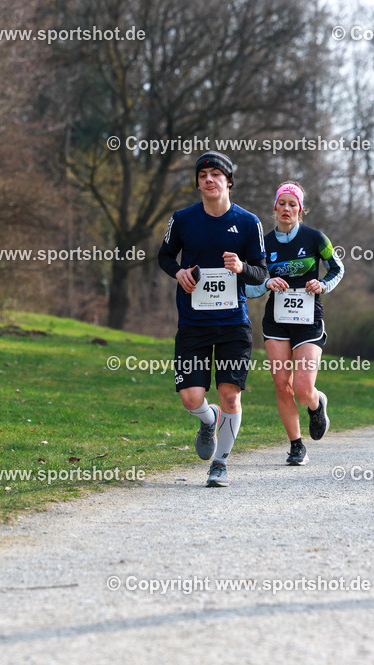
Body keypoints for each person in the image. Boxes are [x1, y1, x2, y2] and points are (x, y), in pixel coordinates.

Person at [158, 151, 268, 487]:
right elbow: (164, 256)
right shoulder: (182, 219)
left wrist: (241, 268)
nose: (208, 179)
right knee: (191, 397)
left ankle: (219, 464)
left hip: (233, 323)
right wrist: (178, 273)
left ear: (228, 181)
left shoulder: (250, 223)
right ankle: (209, 420)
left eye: (216, 174)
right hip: (192, 323)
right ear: (198, 182)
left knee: (230, 394)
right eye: (203, 174)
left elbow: (262, 273)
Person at [246, 181, 344, 465]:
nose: (286, 209)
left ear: (301, 210)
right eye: (282, 203)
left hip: (309, 319)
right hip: (276, 321)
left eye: (293, 204)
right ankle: (296, 445)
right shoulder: (263, 244)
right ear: (274, 207)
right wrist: (266, 282)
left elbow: (338, 269)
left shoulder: (316, 238)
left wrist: (322, 284)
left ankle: (316, 403)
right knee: (281, 384)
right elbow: (250, 286)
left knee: (302, 389)